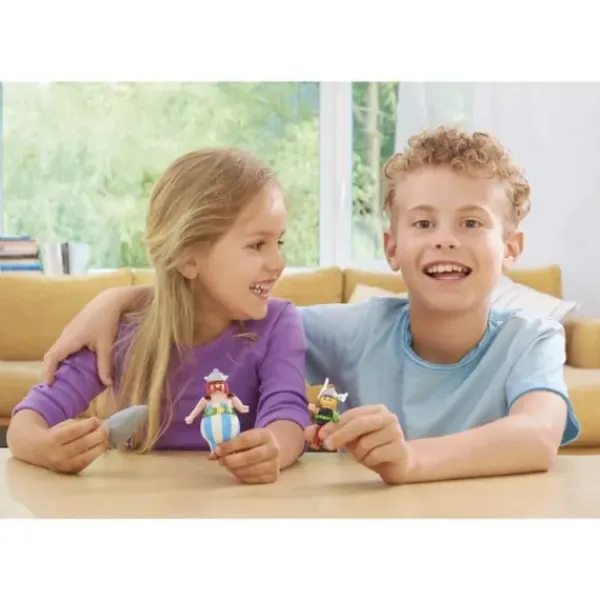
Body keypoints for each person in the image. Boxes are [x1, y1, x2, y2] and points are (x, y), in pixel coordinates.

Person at [35, 127, 580, 485]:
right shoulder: (351, 330)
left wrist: (411, 460)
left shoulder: (532, 338)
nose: (444, 239)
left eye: (471, 222)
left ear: (511, 247)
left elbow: (537, 436)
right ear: (391, 247)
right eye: (422, 222)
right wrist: (125, 298)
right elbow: (217, 308)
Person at [7, 148, 311, 483]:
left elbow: (287, 413)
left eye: (279, 242)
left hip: (242, 504)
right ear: (188, 258)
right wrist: (45, 448)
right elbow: (26, 423)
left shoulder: (278, 323)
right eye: (257, 245)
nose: (279, 262)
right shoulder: (121, 331)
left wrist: (275, 449)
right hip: (141, 504)